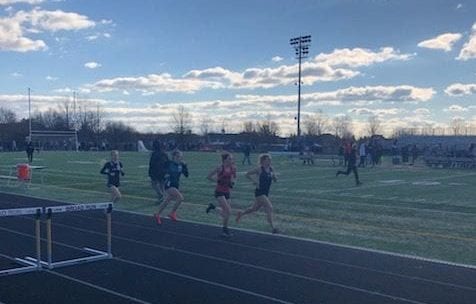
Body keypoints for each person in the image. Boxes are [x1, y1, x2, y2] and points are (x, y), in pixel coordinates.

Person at [236, 154, 279, 234]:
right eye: (268, 160)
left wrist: (274, 177)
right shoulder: (259, 169)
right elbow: (247, 174)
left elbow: (275, 180)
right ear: (263, 161)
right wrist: (254, 181)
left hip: (266, 192)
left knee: (254, 209)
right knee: (269, 207)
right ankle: (273, 227)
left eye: (270, 160)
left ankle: (241, 213)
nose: (269, 161)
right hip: (259, 192)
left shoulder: (271, 169)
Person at [206, 152, 237, 237]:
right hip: (219, 191)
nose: (231, 160)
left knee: (225, 213)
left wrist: (232, 183)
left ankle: (213, 208)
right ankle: (225, 230)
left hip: (227, 191)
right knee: (228, 211)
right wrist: (217, 181)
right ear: (225, 159)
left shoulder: (233, 168)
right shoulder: (220, 168)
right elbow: (209, 176)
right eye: (230, 158)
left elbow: (234, 178)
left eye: (232, 159)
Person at [154, 150, 189, 225]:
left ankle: (157, 214)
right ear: (173, 157)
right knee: (180, 198)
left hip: (176, 185)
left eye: (180, 157)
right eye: (178, 156)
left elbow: (186, 175)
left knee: (167, 200)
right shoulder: (169, 163)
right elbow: (161, 170)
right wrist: (165, 174)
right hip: (169, 184)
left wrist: (185, 166)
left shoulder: (180, 165)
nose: (179, 158)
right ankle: (172, 213)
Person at [149, 140, 169, 204]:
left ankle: (160, 195)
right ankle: (163, 198)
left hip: (156, 171)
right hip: (164, 171)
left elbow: (151, 163)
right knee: (162, 185)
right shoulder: (164, 153)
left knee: (154, 184)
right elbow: (168, 162)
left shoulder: (154, 154)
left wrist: (150, 172)